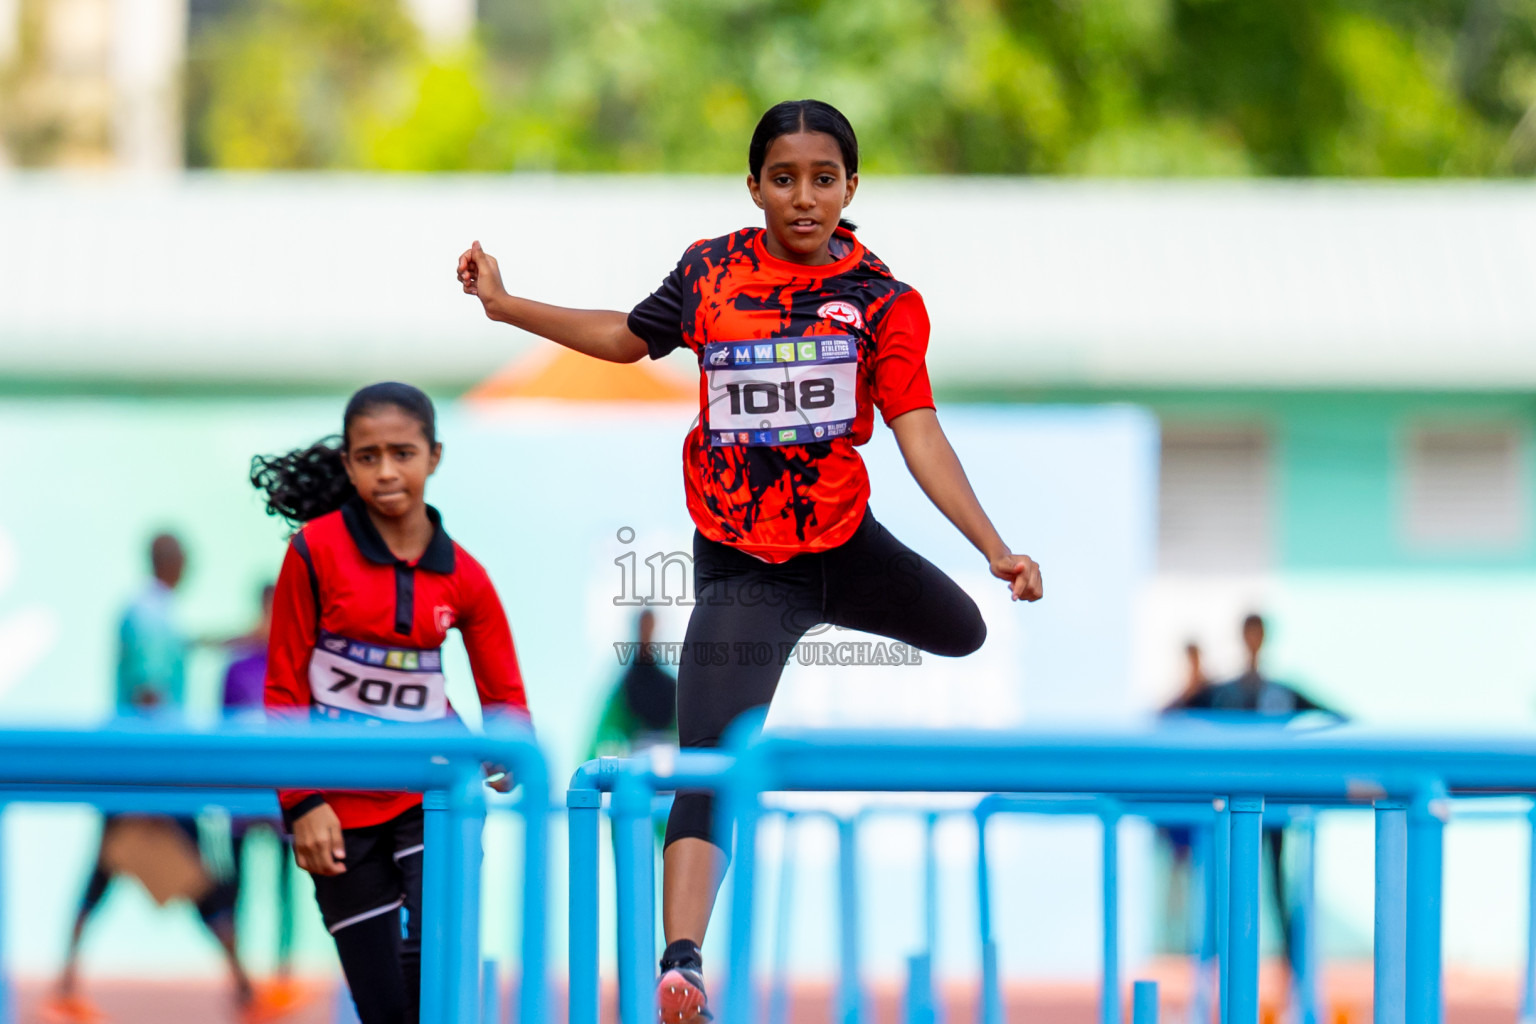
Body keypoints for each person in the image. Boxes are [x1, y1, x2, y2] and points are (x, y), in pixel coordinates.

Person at [456, 98, 1044, 1024]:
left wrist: (993, 546)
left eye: (822, 180)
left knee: (965, 630)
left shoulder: (886, 303)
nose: (803, 198)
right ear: (754, 185)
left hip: (847, 549)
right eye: (783, 178)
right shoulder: (713, 272)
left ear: (852, 187)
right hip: (743, 568)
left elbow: (918, 432)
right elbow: (624, 339)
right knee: (707, 761)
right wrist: (505, 304)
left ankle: (832, 611)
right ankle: (682, 960)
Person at [253, 381, 531, 1024]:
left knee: (436, 971)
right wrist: (302, 803)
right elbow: (284, 689)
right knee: (384, 1008)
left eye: (402, 453)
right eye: (368, 456)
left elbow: (506, 700)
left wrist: (507, 749)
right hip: (336, 807)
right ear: (348, 464)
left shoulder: (465, 576)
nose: (386, 471)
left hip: (431, 793)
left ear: (433, 456)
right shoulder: (313, 552)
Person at [43, 535, 285, 1024]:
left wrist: (248, 635)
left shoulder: (149, 609)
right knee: (192, 879)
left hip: (134, 768)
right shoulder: (153, 613)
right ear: (173, 562)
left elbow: (186, 646)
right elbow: (151, 690)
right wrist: (159, 776)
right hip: (149, 772)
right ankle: (243, 992)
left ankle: (67, 984)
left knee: (113, 876)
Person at [1182, 614, 1342, 977]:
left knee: (1275, 890)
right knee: (1224, 891)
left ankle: (1293, 981)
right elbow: (1173, 713)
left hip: (1274, 806)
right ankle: (1215, 979)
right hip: (1229, 805)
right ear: (1243, 638)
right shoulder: (1222, 692)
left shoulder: (1281, 692)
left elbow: (1336, 715)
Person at [220, 583, 302, 1003]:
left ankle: (283, 972)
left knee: (285, 888)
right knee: (239, 888)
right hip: (242, 798)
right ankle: (242, 979)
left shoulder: (297, 663)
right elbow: (224, 728)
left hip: (282, 796)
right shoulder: (236, 668)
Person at [589, 610, 678, 760]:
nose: (647, 633)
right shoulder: (624, 689)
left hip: (670, 761)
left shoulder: (670, 686)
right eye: (644, 626)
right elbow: (603, 736)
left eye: (651, 627)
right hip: (635, 761)